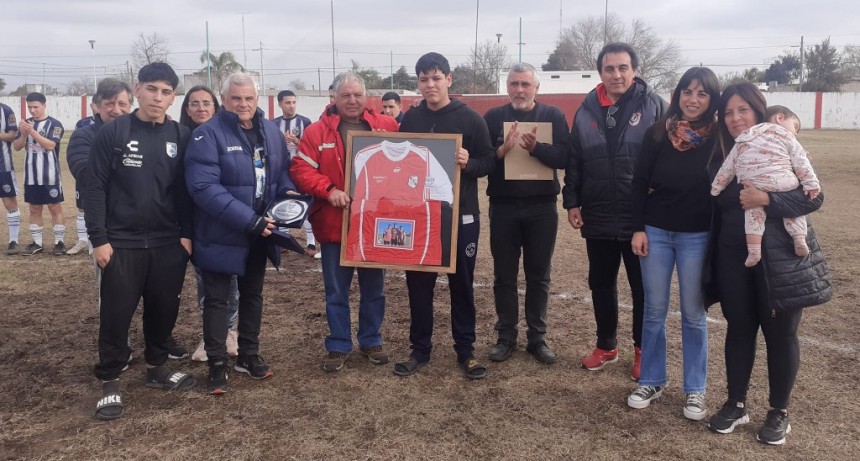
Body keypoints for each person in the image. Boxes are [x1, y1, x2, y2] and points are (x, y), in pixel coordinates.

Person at [706, 82, 830, 445]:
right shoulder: (722, 154)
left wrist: (767, 199)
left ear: (758, 111)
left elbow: (814, 197)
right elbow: (716, 199)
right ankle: (736, 402)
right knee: (739, 327)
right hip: (734, 255)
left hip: (782, 259)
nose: (735, 118)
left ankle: (779, 411)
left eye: (742, 110)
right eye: (728, 112)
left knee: (781, 334)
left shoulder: (781, 145)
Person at [87, 62, 196, 420]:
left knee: (164, 309)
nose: (158, 98)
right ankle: (110, 380)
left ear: (173, 96)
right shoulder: (114, 132)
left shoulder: (180, 136)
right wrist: (99, 239)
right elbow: (95, 188)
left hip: (167, 243)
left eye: (166, 92)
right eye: (152, 89)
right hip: (121, 242)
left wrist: (185, 236)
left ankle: (157, 368)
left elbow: (184, 192)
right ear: (138, 89)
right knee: (116, 314)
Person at [562, 42, 667, 380]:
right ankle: (606, 346)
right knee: (601, 283)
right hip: (599, 213)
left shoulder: (654, 106)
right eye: (610, 68)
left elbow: (671, 158)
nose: (616, 74)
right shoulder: (587, 109)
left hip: (642, 218)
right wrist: (572, 200)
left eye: (623, 68)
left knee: (642, 289)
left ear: (634, 70)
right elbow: (574, 160)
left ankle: (642, 350)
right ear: (601, 72)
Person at [186, 73, 296, 394]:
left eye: (248, 98)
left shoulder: (271, 132)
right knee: (217, 300)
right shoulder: (207, 135)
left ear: (257, 99)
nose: (243, 104)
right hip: (221, 231)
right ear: (224, 100)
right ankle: (217, 363)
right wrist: (250, 220)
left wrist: (287, 202)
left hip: (260, 231)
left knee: (252, 295)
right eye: (236, 98)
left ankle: (248, 354)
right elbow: (205, 188)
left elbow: (281, 176)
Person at [625, 67, 720, 420]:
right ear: (678, 94)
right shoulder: (657, 134)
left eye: (702, 94)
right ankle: (651, 379)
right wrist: (638, 228)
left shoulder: (718, 137)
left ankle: (695, 390)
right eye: (687, 92)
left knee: (694, 316)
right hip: (656, 233)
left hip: (697, 236)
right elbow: (638, 183)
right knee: (654, 310)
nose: (693, 100)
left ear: (712, 100)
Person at [392, 52, 495, 379]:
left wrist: (470, 162)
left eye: (436, 78)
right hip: (420, 216)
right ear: (418, 83)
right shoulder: (410, 119)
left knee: (461, 283)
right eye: (424, 79)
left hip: (460, 215)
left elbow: (490, 160)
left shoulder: (470, 119)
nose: (430, 85)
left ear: (449, 80)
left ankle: (466, 350)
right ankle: (419, 350)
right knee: (418, 283)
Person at [291, 72, 397, 372]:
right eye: (345, 95)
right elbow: (300, 169)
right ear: (333, 97)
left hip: (375, 225)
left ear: (367, 97)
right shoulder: (316, 133)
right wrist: (329, 190)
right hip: (335, 224)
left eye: (357, 95)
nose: (352, 100)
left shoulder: (387, 126)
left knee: (374, 288)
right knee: (336, 290)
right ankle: (338, 344)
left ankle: (371, 339)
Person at [482, 63, 570, 365]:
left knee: (539, 275)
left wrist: (537, 149)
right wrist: (501, 151)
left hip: (542, 208)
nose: (519, 90)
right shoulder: (493, 117)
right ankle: (506, 337)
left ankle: (537, 338)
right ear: (507, 87)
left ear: (536, 87)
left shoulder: (553, 116)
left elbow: (565, 157)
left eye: (525, 84)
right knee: (504, 276)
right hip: (504, 207)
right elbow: (482, 163)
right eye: (514, 84)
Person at [710, 105, 820, 267]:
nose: (795, 132)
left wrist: (716, 187)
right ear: (780, 118)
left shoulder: (744, 137)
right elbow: (801, 162)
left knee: (753, 214)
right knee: (792, 208)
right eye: (795, 126)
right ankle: (799, 238)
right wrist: (810, 183)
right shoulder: (786, 137)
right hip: (784, 181)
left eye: (743, 110)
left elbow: (728, 167)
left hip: (754, 183)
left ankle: (754, 251)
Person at [177, 85, 240, 363]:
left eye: (206, 102)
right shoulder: (178, 138)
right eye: (194, 103)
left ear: (216, 106)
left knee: (232, 282)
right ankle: (210, 333)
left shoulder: (228, 135)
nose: (201, 108)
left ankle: (229, 332)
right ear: (186, 109)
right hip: (191, 220)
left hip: (224, 218)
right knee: (205, 281)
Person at [66, 79, 134, 256]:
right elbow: (86, 175)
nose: (117, 110)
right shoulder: (83, 136)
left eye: (122, 103)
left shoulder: (140, 133)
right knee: (113, 280)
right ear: (97, 106)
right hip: (105, 223)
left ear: (131, 105)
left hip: (141, 222)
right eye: (109, 104)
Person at [12, 92, 67, 256]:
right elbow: (16, 147)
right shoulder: (25, 124)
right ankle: (37, 243)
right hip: (31, 176)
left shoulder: (55, 124)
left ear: (44, 105)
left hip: (50, 175)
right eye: (30, 107)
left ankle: (59, 242)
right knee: (34, 208)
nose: (32, 110)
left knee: (54, 207)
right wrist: (23, 134)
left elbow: (50, 145)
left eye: (35, 107)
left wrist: (33, 132)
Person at [272, 89, 319, 259]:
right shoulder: (274, 124)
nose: (291, 106)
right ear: (280, 104)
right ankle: (283, 241)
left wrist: (297, 142)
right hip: (282, 170)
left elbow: (311, 148)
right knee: (282, 202)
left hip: (301, 170)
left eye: (293, 102)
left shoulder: (305, 122)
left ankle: (311, 243)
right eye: (287, 103)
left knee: (305, 203)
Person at [0, 102, 21, 255]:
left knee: (10, 202)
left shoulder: (6, 110)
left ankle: (13, 241)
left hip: (3, 165)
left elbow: (13, 135)